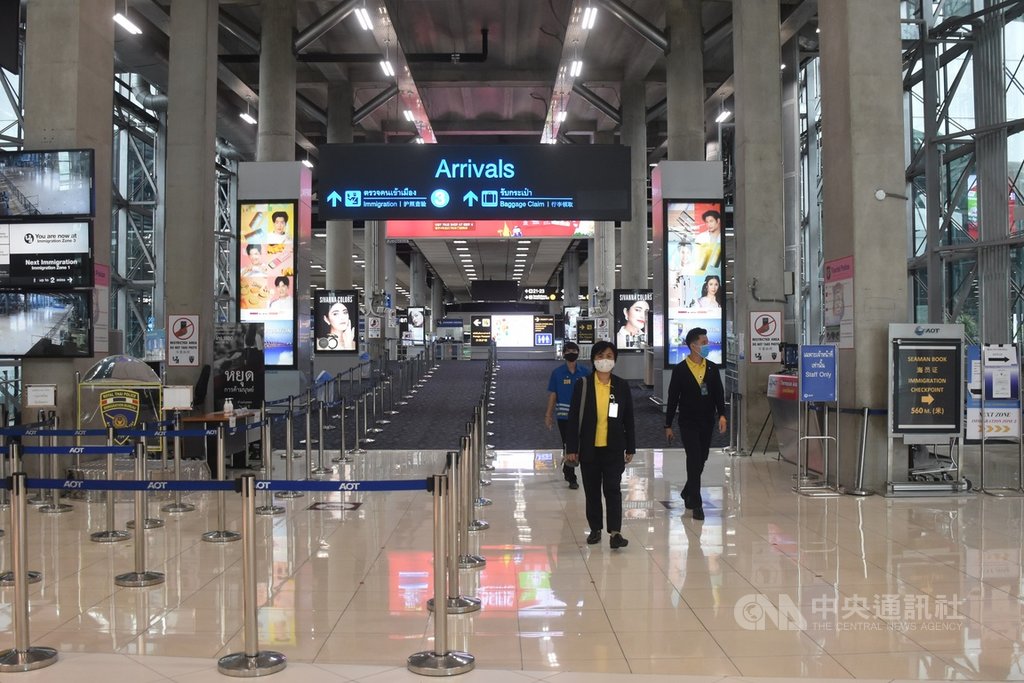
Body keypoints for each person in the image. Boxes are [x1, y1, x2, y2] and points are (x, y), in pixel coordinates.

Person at [565, 340, 636, 549]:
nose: (604, 360)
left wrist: (630, 447)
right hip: (589, 449)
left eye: (608, 356)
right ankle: (595, 529)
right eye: (599, 356)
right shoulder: (584, 384)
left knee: (613, 489)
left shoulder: (621, 386)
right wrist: (571, 448)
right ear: (593, 359)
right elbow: (573, 417)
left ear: (614, 359)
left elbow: (628, 418)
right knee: (592, 491)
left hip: (613, 448)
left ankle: (615, 532)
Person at [664, 327, 727, 521]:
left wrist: (722, 415)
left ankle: (686, 491)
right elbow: (673, 397)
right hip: (688, 422)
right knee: (693, 458)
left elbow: (718, 393)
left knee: (702, 457)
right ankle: (696, 503)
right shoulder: (681, 370)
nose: (708, 346)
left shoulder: (711, 367)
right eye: (704, 343)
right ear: (693, 346)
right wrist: (668, 425)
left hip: (707, 420)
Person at [544, 341, 591, 490]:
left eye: (574, 350)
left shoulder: (585, 372)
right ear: (564, 354)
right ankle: (571, 476)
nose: (572, 353)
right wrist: (548, 414)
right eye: (568, 351)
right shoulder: (557, 373)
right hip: (564, 416)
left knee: (583, 444)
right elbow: (553, 394)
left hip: (582, 415)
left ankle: (575, 469)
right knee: (568, 444)